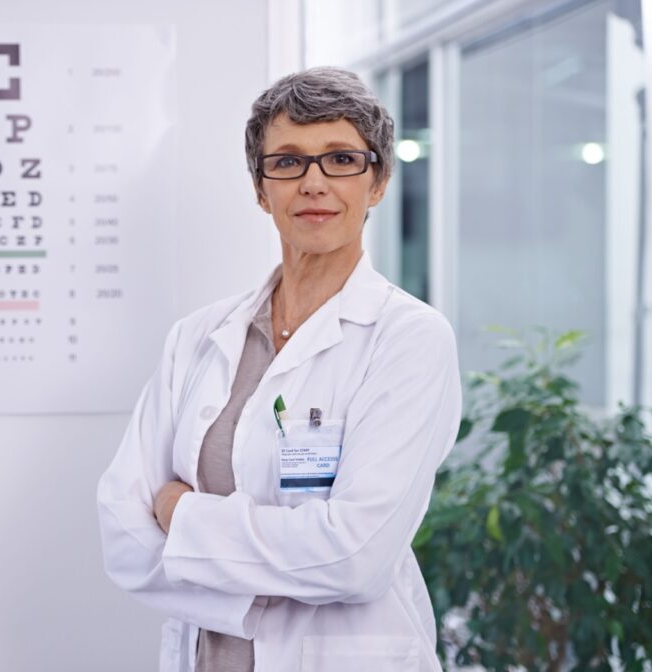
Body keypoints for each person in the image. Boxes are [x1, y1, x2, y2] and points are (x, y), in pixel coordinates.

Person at [96, 67, 461, 672]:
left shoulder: (409, 339)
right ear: (262, 190)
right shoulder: (197, 338)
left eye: (341, 159)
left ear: (378, 183)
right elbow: (124, 535)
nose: (314, 183)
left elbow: (355, 558)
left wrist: (183, 516)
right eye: (287, 162)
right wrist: (287, 572)